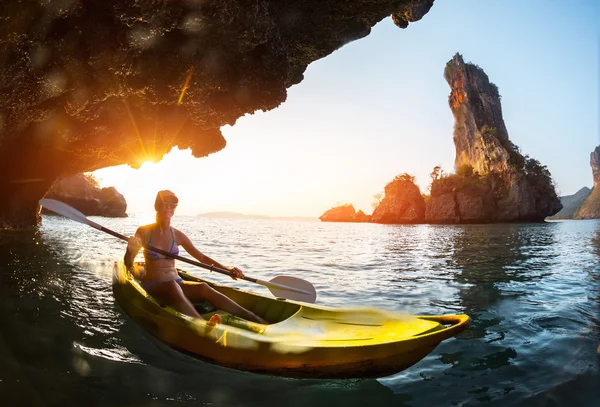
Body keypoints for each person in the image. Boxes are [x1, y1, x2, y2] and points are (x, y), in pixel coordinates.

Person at [124, 190, 267, 324]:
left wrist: (227, 269)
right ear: (157, 206)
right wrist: (131, 250)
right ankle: (202, 325)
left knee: (203, 287)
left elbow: (202, 258)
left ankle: (254, 318)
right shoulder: (144, 232)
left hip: (177, 282)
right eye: (165, 204)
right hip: (154, 285)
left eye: (173, 205)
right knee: (173, 287)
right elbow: (128, 262)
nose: (169, 208)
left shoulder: (178, 236)